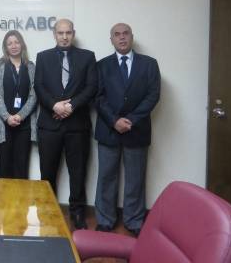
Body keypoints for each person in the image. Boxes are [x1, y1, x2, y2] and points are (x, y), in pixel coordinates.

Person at [94, 23, 161, 237]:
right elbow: (98, 97)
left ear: (132, 37)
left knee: (135, 179)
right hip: (108, 130)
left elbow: (153, 95)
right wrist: (114, 121)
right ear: (111, 39)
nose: (122, 38)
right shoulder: (101, 65)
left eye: (125, 34)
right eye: (117, 34)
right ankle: (105, 220)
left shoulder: (149, 64)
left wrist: (130, 120)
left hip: (137, 129)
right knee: (106, 177)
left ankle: (134, 220)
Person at [34, 18, 97, 229]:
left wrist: (71, 106)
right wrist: (55, 105)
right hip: (49, 126)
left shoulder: (87, 57)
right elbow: (39, 86)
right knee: (47, 172)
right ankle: (47, 211)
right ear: (54, 34)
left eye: (68, 32)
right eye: (60, 33)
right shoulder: (43, 57)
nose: (64, 37)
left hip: (77, 126)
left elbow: (91, 87)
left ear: (73, 34)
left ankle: (77, 213)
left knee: (78, 173)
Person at [0, 30, 37, 179]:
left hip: (24, 125)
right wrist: (7, 117)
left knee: (21, 169)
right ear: (5, 47)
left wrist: (20, 116)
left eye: (16, 42)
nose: (14, 46)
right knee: (4, 169)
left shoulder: (31, 66)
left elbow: (34, 94)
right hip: (3, 124)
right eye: (10, 43)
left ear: (22, 44)